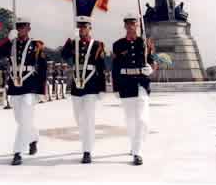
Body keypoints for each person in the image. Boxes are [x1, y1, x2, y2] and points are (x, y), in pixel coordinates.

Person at [0, 17, 47, 166]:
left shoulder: (36, 45)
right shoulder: (11, 44)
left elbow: (43, 68)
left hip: (30, 85)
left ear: (29, 28)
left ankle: (17, 151)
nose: (20, 29)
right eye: (18, 27)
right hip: (15, 85)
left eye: (23, 26)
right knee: (20, 119)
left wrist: (41, 90)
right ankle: (33, 137)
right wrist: (7, 39)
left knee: (24, 119)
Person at [61, 16, 106, 164]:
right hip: (76, 86)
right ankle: (88, 139)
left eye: (84, 26)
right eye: (79, 27)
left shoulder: (97, 45)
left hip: (91, 85)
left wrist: (102, 88)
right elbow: (64, 56)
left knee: (89, 118)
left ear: (89, 28)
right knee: (79, 118)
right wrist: (69, 41)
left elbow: (101, 67)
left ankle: (87, 150)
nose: (82, 29)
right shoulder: (73, 44)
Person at [112, 13, 154, 166]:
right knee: (130, 121)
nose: (131, 26)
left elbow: (151, 60)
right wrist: (115, 87)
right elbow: (115, 67)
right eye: (128, 24)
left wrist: (151, 68)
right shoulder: (118, 45)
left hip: (141, 84)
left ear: (137, 25)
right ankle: (134, 145)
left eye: (133, 24)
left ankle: (138, 153)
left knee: (142, 120)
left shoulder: (144, 43)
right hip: (125, 84)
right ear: (125, 26)